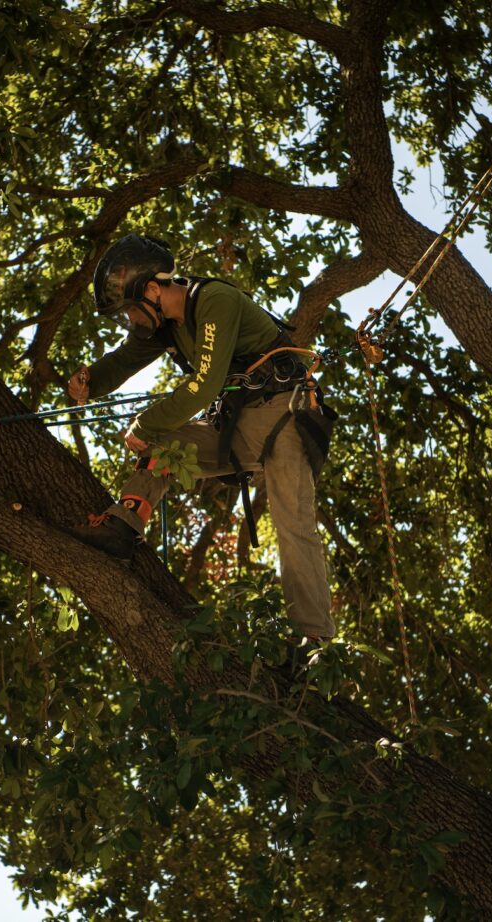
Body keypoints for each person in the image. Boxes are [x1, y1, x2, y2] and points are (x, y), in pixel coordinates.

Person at [68, 233, 335, 642]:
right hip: (236, 428)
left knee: (292, 523)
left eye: (132, 311)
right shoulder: (164, 325)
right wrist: (90, 380)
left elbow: (206, 385)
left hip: (284, 416)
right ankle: (125, 524)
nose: (132, 322)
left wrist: (144, 423)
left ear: (154, 289)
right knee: (164, 443)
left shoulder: (214, 300)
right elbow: (124, 359)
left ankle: (314, 642)